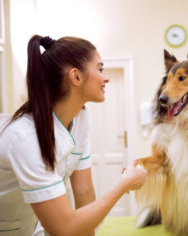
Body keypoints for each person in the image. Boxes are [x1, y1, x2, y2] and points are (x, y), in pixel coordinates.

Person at [0, 35, 147, 236]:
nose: (106, 77)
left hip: (32, 226)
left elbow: (84, 191)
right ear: (76, 77)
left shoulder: (81, 118)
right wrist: (125, 184)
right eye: (100, 68)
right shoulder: (25, 138)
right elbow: (64, 229)